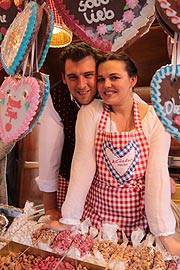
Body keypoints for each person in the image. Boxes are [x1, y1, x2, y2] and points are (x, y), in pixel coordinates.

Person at [43, 52, 180, 256]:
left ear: (132, 80)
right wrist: (69, 220)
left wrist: (165, 234)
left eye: (114, 77)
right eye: (101, 79)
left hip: (140, 219)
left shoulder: (154, 118)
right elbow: (82, 167)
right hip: (98, 218)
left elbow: (156, 176)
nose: (106, 85)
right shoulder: (90, 113)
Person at [36, 42, 102, 220]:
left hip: (109, 186)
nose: (81, 85)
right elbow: (49, 154)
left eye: (89, 75)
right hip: (69, 179)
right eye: (73, 77)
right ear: (64, 78)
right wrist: (50, 208)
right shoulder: (56, 96)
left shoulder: (113, 91)